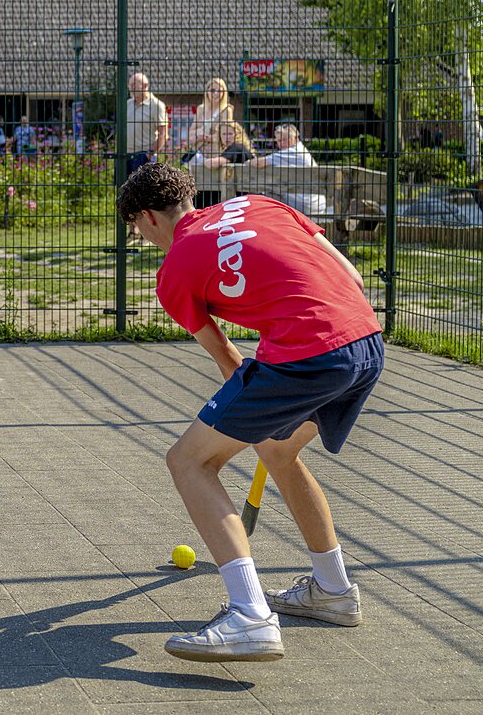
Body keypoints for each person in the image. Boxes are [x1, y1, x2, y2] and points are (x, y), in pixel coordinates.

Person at [116, 163, 383, 662]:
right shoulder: (259, 203)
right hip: (364, 341)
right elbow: (349, 275)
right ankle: (333, 590)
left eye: (136, 229)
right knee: (278, 450)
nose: (141, 237)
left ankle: (249, 617)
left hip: (308, 356)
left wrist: (280, 360)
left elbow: (229, 364)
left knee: (189, 461)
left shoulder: (174, 270)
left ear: (147, 218)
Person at [248, 123, 328, 215]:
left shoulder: (292, 152)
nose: (281, 144)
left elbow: (258, 163)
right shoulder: (300, 149)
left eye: (285, 140)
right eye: (278, 140)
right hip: (316, 204)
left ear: (295, 138)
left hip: (306, 206)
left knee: (265, 195)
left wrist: (247, 162)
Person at [126, 72, 169, 174]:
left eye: (134, 85)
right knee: (122, 188)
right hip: (124, 155)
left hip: (143, 155)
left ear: (145, 86)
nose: (131, 88)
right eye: (130, 85)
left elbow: (163, 134)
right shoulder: (128, 103)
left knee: (142, 189)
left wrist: (148, 154)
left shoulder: (157, 105)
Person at [188, 78, 235, 152]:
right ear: (207, 92)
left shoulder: (226, 111)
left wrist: (204, 137)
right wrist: (199, 133)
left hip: (216, 152)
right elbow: (191, 132)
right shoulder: (200, 109)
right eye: (212, 90)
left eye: (219, 91)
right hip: (198, 152)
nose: (215, 93)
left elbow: (225, 135)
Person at [191, 121, 258, 169]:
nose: (226, 137)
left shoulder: (237, 147)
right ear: (219, 136)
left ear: (237, 135)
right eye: (224, 134)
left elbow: (212, 164)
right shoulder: (237, 147)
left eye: (230, 134)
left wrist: (200, 159)